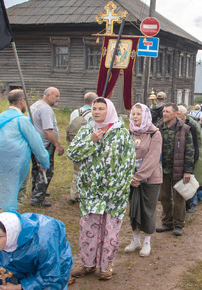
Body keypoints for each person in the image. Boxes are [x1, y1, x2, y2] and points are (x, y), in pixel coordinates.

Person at [67, 97, 135, 280]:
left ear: (109, 111)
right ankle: (87, 264)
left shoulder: (121, 134)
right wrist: (91, 141)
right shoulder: (86, 131)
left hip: (115, 193)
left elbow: (128, 164)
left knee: (110, 230)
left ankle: (106, 265)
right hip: (90, 191)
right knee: (88, 228)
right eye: (94, 108)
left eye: (101, 109)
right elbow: (72, 154)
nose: (96, 112)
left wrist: (119, 187)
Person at [0, 211, 72, 289]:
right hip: (19, 264)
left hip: (54, 266)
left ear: (11, 235)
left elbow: (51, 276)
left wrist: (20, 287)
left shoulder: (42, 244)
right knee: (0, 271)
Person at [123, 103, 162, 257]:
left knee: (148, 210)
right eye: (133, 114)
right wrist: (129, 176)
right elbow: (124, 154)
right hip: (131, 179)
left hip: (150, 179)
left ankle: (147, 242)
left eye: (139, 114)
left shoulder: (154, 133)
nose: (135, 117)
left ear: (145, 115)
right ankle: (135, 240)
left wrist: (139, 177)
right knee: (133, 209)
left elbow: (152, 158)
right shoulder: (129, 133)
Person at [155, 103, 195, 237]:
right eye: (164, 111)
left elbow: (190, 151)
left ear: (175, 113)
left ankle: (178, 224)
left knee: (178, 197)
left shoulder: (184, 129)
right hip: (162, 168)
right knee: (165, 197)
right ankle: (167, 222)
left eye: (167, 112)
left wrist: (187, 170)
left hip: (178, 169)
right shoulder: (158, 128)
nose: (164, 114)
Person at [29, 87, 65, 207]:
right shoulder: (45, 109)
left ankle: (36, 190)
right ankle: (38, 197)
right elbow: (48, 130)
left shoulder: (35, 105)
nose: (58, 99)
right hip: (44, 144)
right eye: (56, 96)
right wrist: (57, 144)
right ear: (48, 95)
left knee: (36, 169)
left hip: (34, 142)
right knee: (46, 170)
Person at [67, 92, 97, 204]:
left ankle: (73, 194)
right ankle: (84, 193)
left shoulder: (75, 112)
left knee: (76, 170)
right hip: (88, 143)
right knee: (87, 169)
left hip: (75, 143)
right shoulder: (92, 114)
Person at [179, 105, 202, 214]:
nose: (176, 115)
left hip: (193, 155)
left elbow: (196, 143)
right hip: (181, 156)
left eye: (178, 114)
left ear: (184, 114)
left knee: (192, 180)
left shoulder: (193, 125)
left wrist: (194, 160)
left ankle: (192, 204)